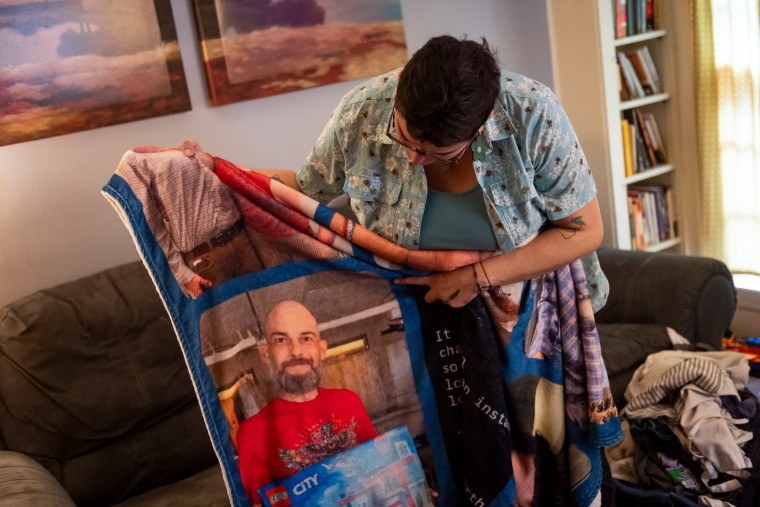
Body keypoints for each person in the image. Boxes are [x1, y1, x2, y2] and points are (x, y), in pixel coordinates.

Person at [279, 34, 609, 312]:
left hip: (530, 306)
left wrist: (476, 277)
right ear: (398, 89)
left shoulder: (534, 116)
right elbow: (305, 190)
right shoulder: (359, 112)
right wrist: (228, 176)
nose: (412, 157)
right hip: (406, 306)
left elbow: (584, 230)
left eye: (438, 154)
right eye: (403, 137)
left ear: (481, 127)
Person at [235, 300, 376, 505]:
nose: (296, 351)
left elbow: (380, 466)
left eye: (306, 338)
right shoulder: (251, 433)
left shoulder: (349, 400)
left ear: (322, 349)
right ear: (266, 353)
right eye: (281, 340)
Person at [119, 140, 262, 298]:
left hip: (242, 241)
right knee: (235, 319)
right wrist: (182, 274)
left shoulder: (184, 151)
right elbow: (150, 228)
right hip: (206, 258)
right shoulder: (134, 162)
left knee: (267, 311)